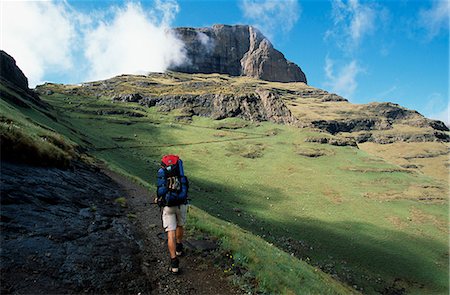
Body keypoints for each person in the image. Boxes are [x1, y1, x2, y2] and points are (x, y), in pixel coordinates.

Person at [155, 154, 189, 274]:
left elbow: (161, 190)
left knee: (171, 233)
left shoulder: (163, 172)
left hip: (169, 206)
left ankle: (174, 264)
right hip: (181, 203)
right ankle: (179, 248)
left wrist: (159, 199)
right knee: (180, 226)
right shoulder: (179, 171)